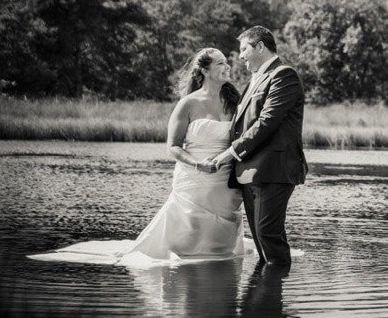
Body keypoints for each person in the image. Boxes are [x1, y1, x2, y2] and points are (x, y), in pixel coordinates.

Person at [28, 48, 254, 265]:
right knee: (191, 227)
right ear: (204, 71)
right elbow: (173, 147)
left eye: (226, 61)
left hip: (225, 178)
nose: (228, 66)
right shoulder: (187, 104)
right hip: (195, 176)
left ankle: (216, 267)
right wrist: (197, 164)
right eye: (221, 62)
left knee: (220, 235)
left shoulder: (235, 102)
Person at [208, 25, 308, 265]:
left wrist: (231, 152)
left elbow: (267, 122)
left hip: (274, 170)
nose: (240, 56)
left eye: (244, 49)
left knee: (268, 235)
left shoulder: (284, 75)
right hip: (250, 172)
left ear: (260, 46)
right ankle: (264, 295)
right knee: (261, 241)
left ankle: (274, 292)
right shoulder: (256, 78)